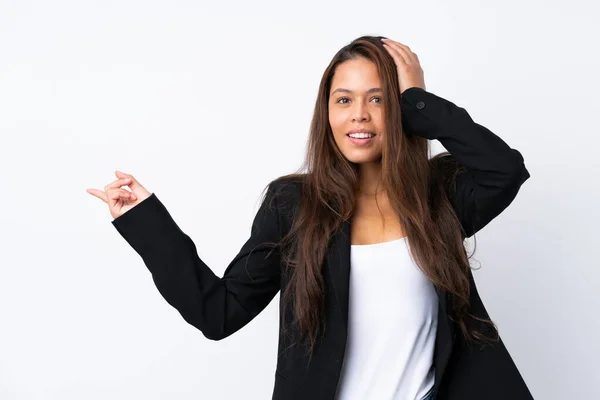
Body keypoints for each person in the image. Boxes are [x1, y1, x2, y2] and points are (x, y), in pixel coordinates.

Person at [87, 36, 533, 400]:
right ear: (328, 113)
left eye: (378, 98)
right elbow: (217, 313)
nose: (359, 113)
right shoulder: (294, 205)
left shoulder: (437, 197)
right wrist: (146, 223)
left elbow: (506, 169)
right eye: (344, 99)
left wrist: (418, 99)